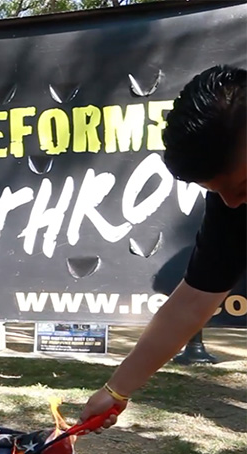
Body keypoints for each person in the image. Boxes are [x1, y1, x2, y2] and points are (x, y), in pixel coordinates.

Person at [79, 64, 246, 428]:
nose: (233, 205)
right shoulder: (233, 206)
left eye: (243, 186)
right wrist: (116, 390)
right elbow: (191, 302)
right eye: (219, 193)